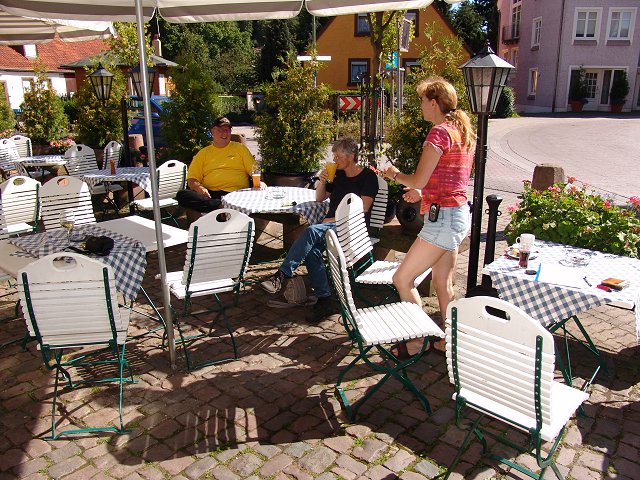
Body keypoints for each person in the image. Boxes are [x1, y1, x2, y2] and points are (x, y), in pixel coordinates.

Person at [383, 76, 474, 324]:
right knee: (443, 283)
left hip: (443, 220)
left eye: (422, 100)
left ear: (434, 103)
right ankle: (450, 339)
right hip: (456, 216)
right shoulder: (460, 131)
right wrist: (424, 194)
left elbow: (419, 179)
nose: (420, 105)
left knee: (402, 279)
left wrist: (394, 174)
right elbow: (452, 179)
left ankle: (418, 338)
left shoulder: (439, 133)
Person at [260, 137, 378, 321]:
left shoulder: (368, 177)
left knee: (311, 231)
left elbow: (363, 208)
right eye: (334, 156)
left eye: (338, 156)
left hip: (352, 228)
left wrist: (335, 218)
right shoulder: (338, 175)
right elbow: (319, 198)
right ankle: (324, 300)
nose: (334, 160)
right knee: (312, 250)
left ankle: (282, 275)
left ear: (351, 156)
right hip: (331, 227)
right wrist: (322, 181)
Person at [176, 116, 262, 215]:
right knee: (182, 195)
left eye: (227, 130)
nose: (224, 133)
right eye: (220, 130)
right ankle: (220, 207)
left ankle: (219, 210)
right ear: (212, 132)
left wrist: (260, 182)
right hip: (211, 195)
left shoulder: (240, 149)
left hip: (236, 194)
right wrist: (200, 188)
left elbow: (254, 170)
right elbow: (192, 180)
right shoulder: (203, 153)